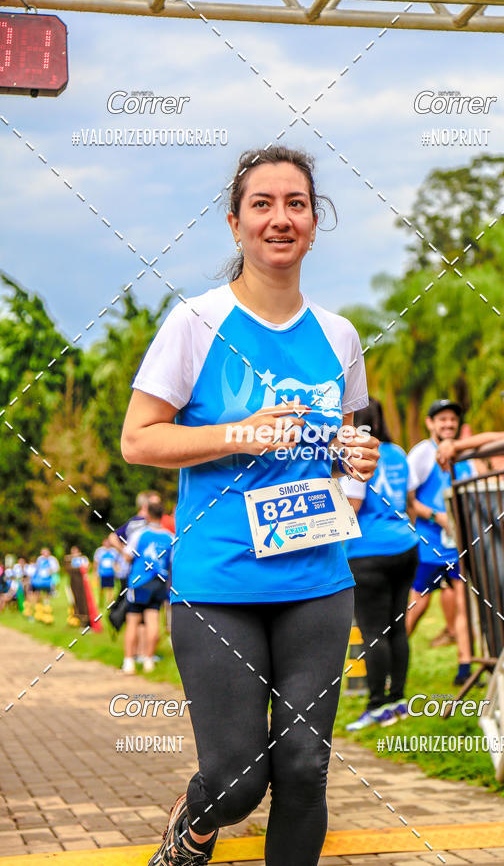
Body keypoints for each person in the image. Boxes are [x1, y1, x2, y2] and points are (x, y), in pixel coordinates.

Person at [121, 146, 378, 866]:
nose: (279, 218)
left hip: (318, 580)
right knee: (238, 779)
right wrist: (238, 433)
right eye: (261, 204)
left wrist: (355, 462)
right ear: (235, 224)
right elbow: (138, 440)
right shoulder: (195, 323)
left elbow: (350, 444)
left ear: (314, 222)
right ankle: (194, 827)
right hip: (219, 581)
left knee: (303, 767)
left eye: (295, 203)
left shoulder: (340, 335)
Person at [340, 398, 418, 730]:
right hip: (406, 545)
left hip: (368, 550)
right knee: (397, 627)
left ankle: (376, 705)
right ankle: (398, 700)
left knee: (374, 631)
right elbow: (410, 501)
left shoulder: (357, 453)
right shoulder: (398, 453)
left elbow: (352, 506)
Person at [406, 400, 474, 686]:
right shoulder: (422, 454)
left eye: (452, 420)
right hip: (430, 546)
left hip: (460, 546)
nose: (448, 424)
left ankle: (465, 668)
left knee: (464, 604)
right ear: (430, 423)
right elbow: (408, 500)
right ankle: (391, 662)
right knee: (417, 606)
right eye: (442, 419)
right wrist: (437, 516)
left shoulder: (465, 454)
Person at [122, 499, 174, 675]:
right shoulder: (170, 537)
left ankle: (129, 661)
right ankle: (148, 660)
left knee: (133, 621)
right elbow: (172, 563)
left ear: (149, 514)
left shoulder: (140, 534)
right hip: (159, 583)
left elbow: (128, 557)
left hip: (139, 582)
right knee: (153, 621)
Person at [93, 537, 119, 607]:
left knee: (110, 588)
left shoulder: (114, 551)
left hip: (110, 573)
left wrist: (117, 571)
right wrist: (95, 572)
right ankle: (101, 602)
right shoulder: (99, 551)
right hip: (102, 573)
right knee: (101, 589)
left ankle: (110, 602)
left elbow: (116, 562)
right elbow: (96, 562)